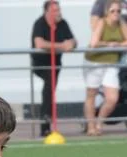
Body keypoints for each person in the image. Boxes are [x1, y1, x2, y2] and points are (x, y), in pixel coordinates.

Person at [83, 0, 127, 136]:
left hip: (111, 63)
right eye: (113, 11)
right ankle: (91, 126)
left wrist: (119, 45)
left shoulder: (121, 23)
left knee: (112, 98)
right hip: (95, 62)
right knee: (91, 94)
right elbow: (94, 43)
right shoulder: (102, 22)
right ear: (107, 12)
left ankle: (99, 123)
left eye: (118, 11)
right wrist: (108, 44)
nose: (116, 14)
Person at [31, 0, 77, 137]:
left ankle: (47, 121)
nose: (58, 13)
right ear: (47, 12)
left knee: (50, 90)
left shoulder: (62, 23)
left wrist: (71, 44)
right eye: (55, 11)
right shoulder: (39, 23)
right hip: (41, 64)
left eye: (59, 10)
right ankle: (45, 125)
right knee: (48, 89)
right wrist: (62, 46)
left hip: (55, 64)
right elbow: (39, 43)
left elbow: (73, 41)